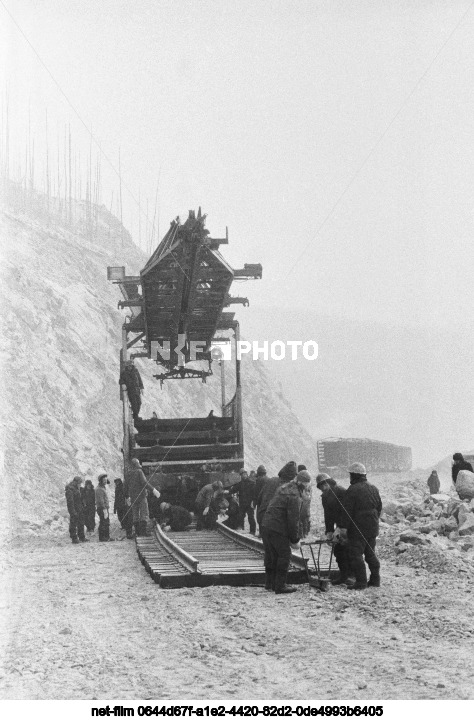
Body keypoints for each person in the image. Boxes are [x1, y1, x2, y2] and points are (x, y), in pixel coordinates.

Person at [261, 469, 312, 594]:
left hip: (266, 524)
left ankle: (270, 583)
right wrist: (295, 539)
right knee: (284, 555)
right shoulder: (294, 496)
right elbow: (293, 520)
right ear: (304, 484)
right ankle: (280, 586)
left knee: (272, 555)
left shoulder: (284, 487)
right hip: (277, 527)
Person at [339, 462, 382, 591]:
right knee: (370, 554)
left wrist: (343, 528)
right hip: (373, 528)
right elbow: (379, 508)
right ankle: (375, 580)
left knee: (356, 555)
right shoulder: (373, 488)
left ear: (354, 475)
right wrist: (373, 521)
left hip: (358, 529)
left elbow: (346, 511)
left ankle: (361, 582)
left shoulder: (352, 490)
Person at [316, 473, 349, 585]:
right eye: (321, 487)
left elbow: (347, 511)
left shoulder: (340, 491)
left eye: (324, 485)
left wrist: (341, 527)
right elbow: (328, 515)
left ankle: (351, 576)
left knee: (348, 551)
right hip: (339, 527)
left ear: (328, 483)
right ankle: (344, 575)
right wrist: (329, 531)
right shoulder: (325, 496)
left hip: (347, 526)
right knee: (338, 551)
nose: (323, 488)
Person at [256, 461, 298, 532]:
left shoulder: (271, 480)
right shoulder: (289, 487)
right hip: (276, 526)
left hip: (263, 521)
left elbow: (259, 500)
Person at [125, 458, 160, 537]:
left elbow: (125, 486)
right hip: (141, 497)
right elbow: (144, 483)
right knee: (144, 514)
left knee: (135, 515)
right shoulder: (139, 472)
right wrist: (153, 490)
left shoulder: (128, 474)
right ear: (137, 464)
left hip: (133, 498)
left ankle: (137, 532)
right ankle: (143, 532)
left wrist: (127, 497)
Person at [65, 475, 88, 544]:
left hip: (79, 509)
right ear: (76, 482)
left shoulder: (77, 489)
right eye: (79, 483)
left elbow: (79, 499)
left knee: (81, 523)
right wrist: (72, 511)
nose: (80, 485)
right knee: (73, 524)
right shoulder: (70, 490)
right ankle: (74, 538)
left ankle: (81, 537)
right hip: (74, 510)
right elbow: (70, 502)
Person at [233, 469, 256, 534]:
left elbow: (255, 494)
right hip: (242, 503)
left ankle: (252, 531)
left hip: (249, 503)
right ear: (241, 475)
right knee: (241, 516)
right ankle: (241, 529)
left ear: (246, 474)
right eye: (242, 474)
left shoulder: (252, 483)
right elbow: (234, 489)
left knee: (251, 517)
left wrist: (253, 502)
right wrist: (229, 491)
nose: (244, 475)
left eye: (245, 474)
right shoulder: (240, 483)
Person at [95, 473, 113, 542]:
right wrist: (104, 509)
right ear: (101, 481)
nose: (105, 482)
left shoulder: (102, 488)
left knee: (106, 522)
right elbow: (100, 501)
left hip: (104, 508)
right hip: (102, 508)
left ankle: (106, 536)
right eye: (104, 480)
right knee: (103, 522)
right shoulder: (99, 489)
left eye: (106, 480)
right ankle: (102, 537)